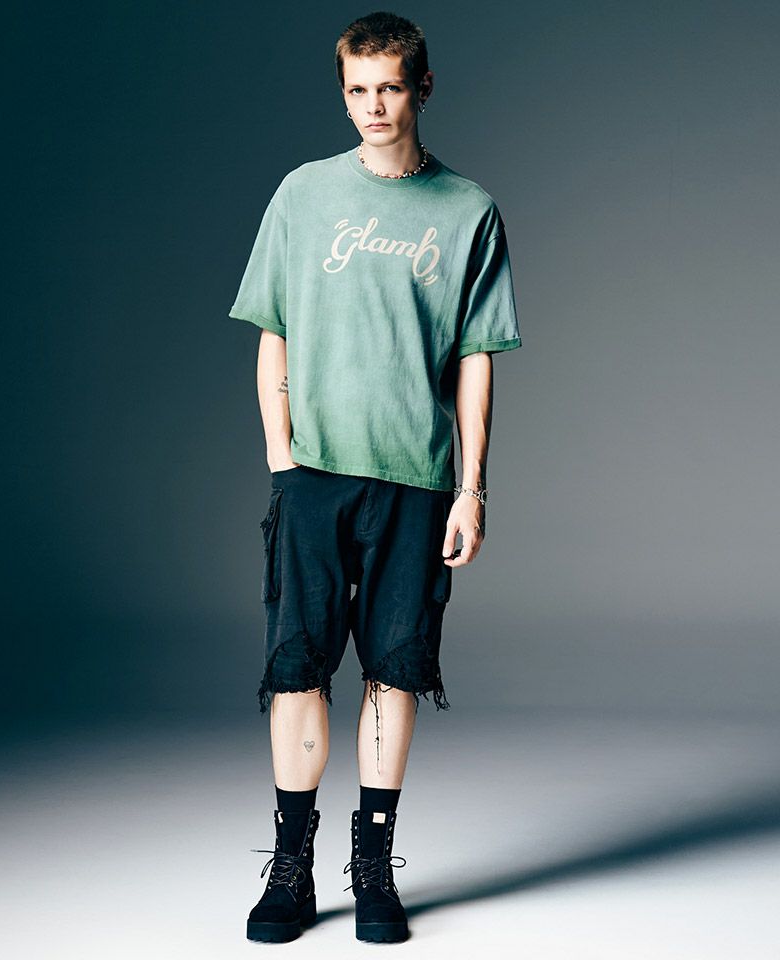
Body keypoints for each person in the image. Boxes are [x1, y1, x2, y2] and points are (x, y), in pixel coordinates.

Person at [228, 10, 522, 945]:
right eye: (358, 89)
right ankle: (291, 866)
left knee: (395, 670)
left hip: (415, 480)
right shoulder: (303, 195)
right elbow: (272, 328)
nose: (374, 106)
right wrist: (280, 454)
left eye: (390, 87)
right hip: (314, 475)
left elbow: (477, 356)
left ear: (422, 87)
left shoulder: (468, 209)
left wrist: (472, 486)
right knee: (298, 670)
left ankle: (373, 864)